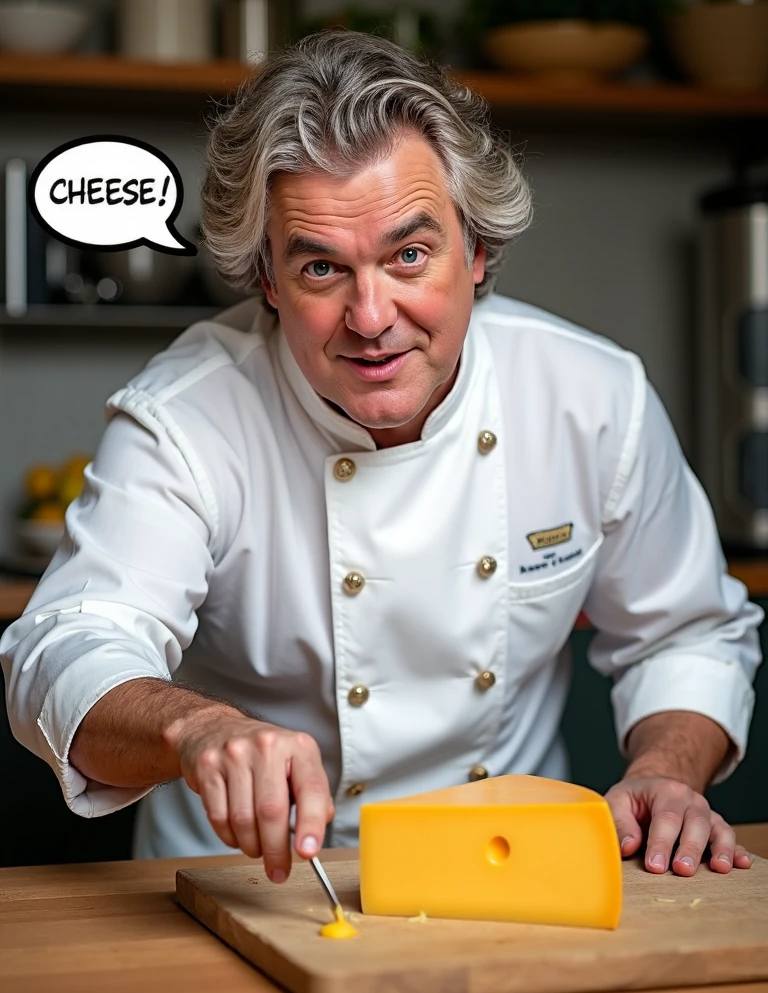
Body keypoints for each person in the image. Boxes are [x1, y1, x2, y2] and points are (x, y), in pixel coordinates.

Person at [1, 30, 761, 884]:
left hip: (510, 882)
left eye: (409, 254)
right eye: (322, 268)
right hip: (250, 890)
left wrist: (664, 770)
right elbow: (66, 648)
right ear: (266, 281)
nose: (371, 317)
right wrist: (197, 728)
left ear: (476, 253)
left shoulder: (591, 396)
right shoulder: (186, 419)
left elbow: (686, 631)